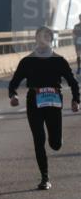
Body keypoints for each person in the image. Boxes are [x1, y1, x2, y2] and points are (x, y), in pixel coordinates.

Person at [8, 26, 79, 190]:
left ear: (51, 40)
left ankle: (56, 140)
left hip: (54, 102)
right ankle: (44, 178)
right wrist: (13, 95)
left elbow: (72, 82)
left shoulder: (59, 60)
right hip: (34, 101)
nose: (43, 40)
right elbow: (14, 82)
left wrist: (76, 100)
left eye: (46, 37)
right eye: (40, 36)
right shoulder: (27, 61)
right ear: (35, 39)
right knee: (39, 140)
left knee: (55, 144)